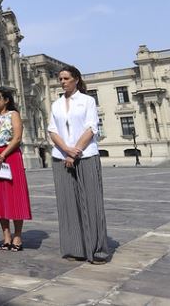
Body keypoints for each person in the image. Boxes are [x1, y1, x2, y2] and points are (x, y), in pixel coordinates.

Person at [48, 65, 109, 264]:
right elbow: (52, 130)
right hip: (61, 156)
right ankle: (75, 247)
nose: (63, 82)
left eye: (66, 78)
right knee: (68, 204)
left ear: (76, 79)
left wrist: (75, 152)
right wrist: (66, 149)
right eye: (60, 79)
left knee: (92, 202)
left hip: (86, 156)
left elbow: (91, 127)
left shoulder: (87, 100)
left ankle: (98, 249)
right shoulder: (56, 104)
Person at [0, 87, 32, 251]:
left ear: (6, 99)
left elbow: (17, 138)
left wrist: (3, 154)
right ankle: (6, 236)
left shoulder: (13, 115)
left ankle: (17, 236)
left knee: (14, 195)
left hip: (10, 156)